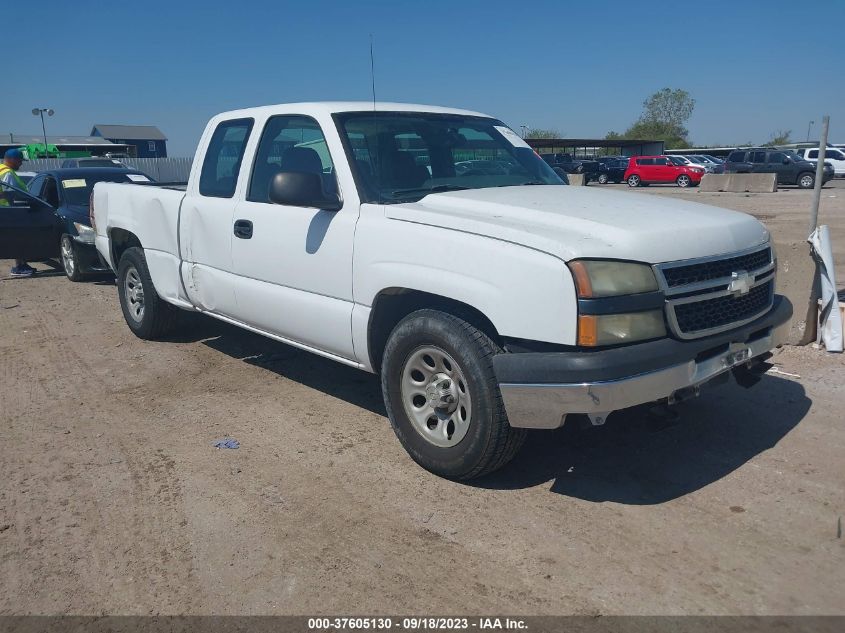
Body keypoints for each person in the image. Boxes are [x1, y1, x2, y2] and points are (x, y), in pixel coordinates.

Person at [0, 149, 36, 277]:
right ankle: (18, 267)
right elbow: (11, 193)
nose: (21, 164)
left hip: (6, 210)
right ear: (12, 159)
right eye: (19, 161)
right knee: (17, 238)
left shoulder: (1, 170)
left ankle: (21, 264)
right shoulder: (8, 173)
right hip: (9, 211)